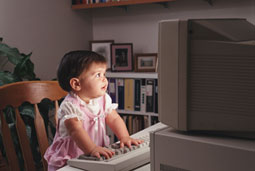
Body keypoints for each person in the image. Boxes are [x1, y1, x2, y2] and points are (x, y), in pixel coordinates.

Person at [44, 50, 143, 171]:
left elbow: (114, 118)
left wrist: (124, 137)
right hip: (71, 160)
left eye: (104, 74)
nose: (104, 79)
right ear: (76, 84)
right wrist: (91, 149)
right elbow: (76, 130)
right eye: (98, 75)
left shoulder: (103, 99)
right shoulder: (70, 106)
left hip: (93, 157)